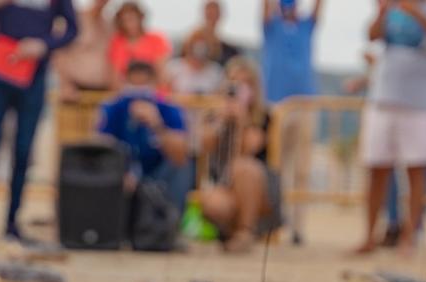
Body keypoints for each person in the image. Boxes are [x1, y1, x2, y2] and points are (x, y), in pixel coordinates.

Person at [0, 0, 78, 245]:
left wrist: (44, 45)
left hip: (33, 77)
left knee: (24, 150)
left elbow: (72, 29)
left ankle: (13, 223)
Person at [354, 0, 426, 256]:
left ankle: (410, 237)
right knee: (376, 169)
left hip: (421, 103)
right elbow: (371, 36)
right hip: (382, 99)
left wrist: (416, 13)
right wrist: (382, 11)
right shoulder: (393, 6)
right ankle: (369, 236)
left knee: (417, 173)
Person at [198, 57, 280, 252]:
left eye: (246, 83)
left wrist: (242, 119)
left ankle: (246, 231)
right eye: (235, 82)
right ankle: (232, 233)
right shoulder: (214, 114)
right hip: (224, 184)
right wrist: (221, 121)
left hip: (257, 187)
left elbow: (251, 147)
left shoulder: (264, 116)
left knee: (243, 167)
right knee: (215, 204)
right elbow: (203, 145)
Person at [262, 0, 323, 245]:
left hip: (304, 104)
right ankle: (276, 222)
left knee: (301, 169)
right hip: (276, 105)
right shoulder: (272, 26)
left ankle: (298, 226)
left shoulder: (306, 26)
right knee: (276, 168)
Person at [96, 59, 190, 212]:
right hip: (122, 174)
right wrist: (123, 171)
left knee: (181, 167)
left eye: (143, 84)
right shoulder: (113, 108)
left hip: (157, 175)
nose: (138, 91)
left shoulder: (168, 109)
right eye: (133, 84)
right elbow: (102, 145)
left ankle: (170, 218)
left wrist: (157, 126)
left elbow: (181, 156)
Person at [53, 0, 115, 101]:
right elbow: (58, 54)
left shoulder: (110, 25)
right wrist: (65, 84)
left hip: (103, 91)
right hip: (75, 92)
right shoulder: (74, 19)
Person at [108, 2, 172, 85]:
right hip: (128, 92)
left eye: (131, 19)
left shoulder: (156, 39)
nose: (129, 25)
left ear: (140, 18)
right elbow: (115, 77)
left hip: (153, 92)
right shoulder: (117, 42)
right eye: (124, 20)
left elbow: (161, 73)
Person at [191, 1, 240, 67]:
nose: (212, 15)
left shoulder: (230, 52)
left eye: (215, 12)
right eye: (209, 12)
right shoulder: (191, 45)